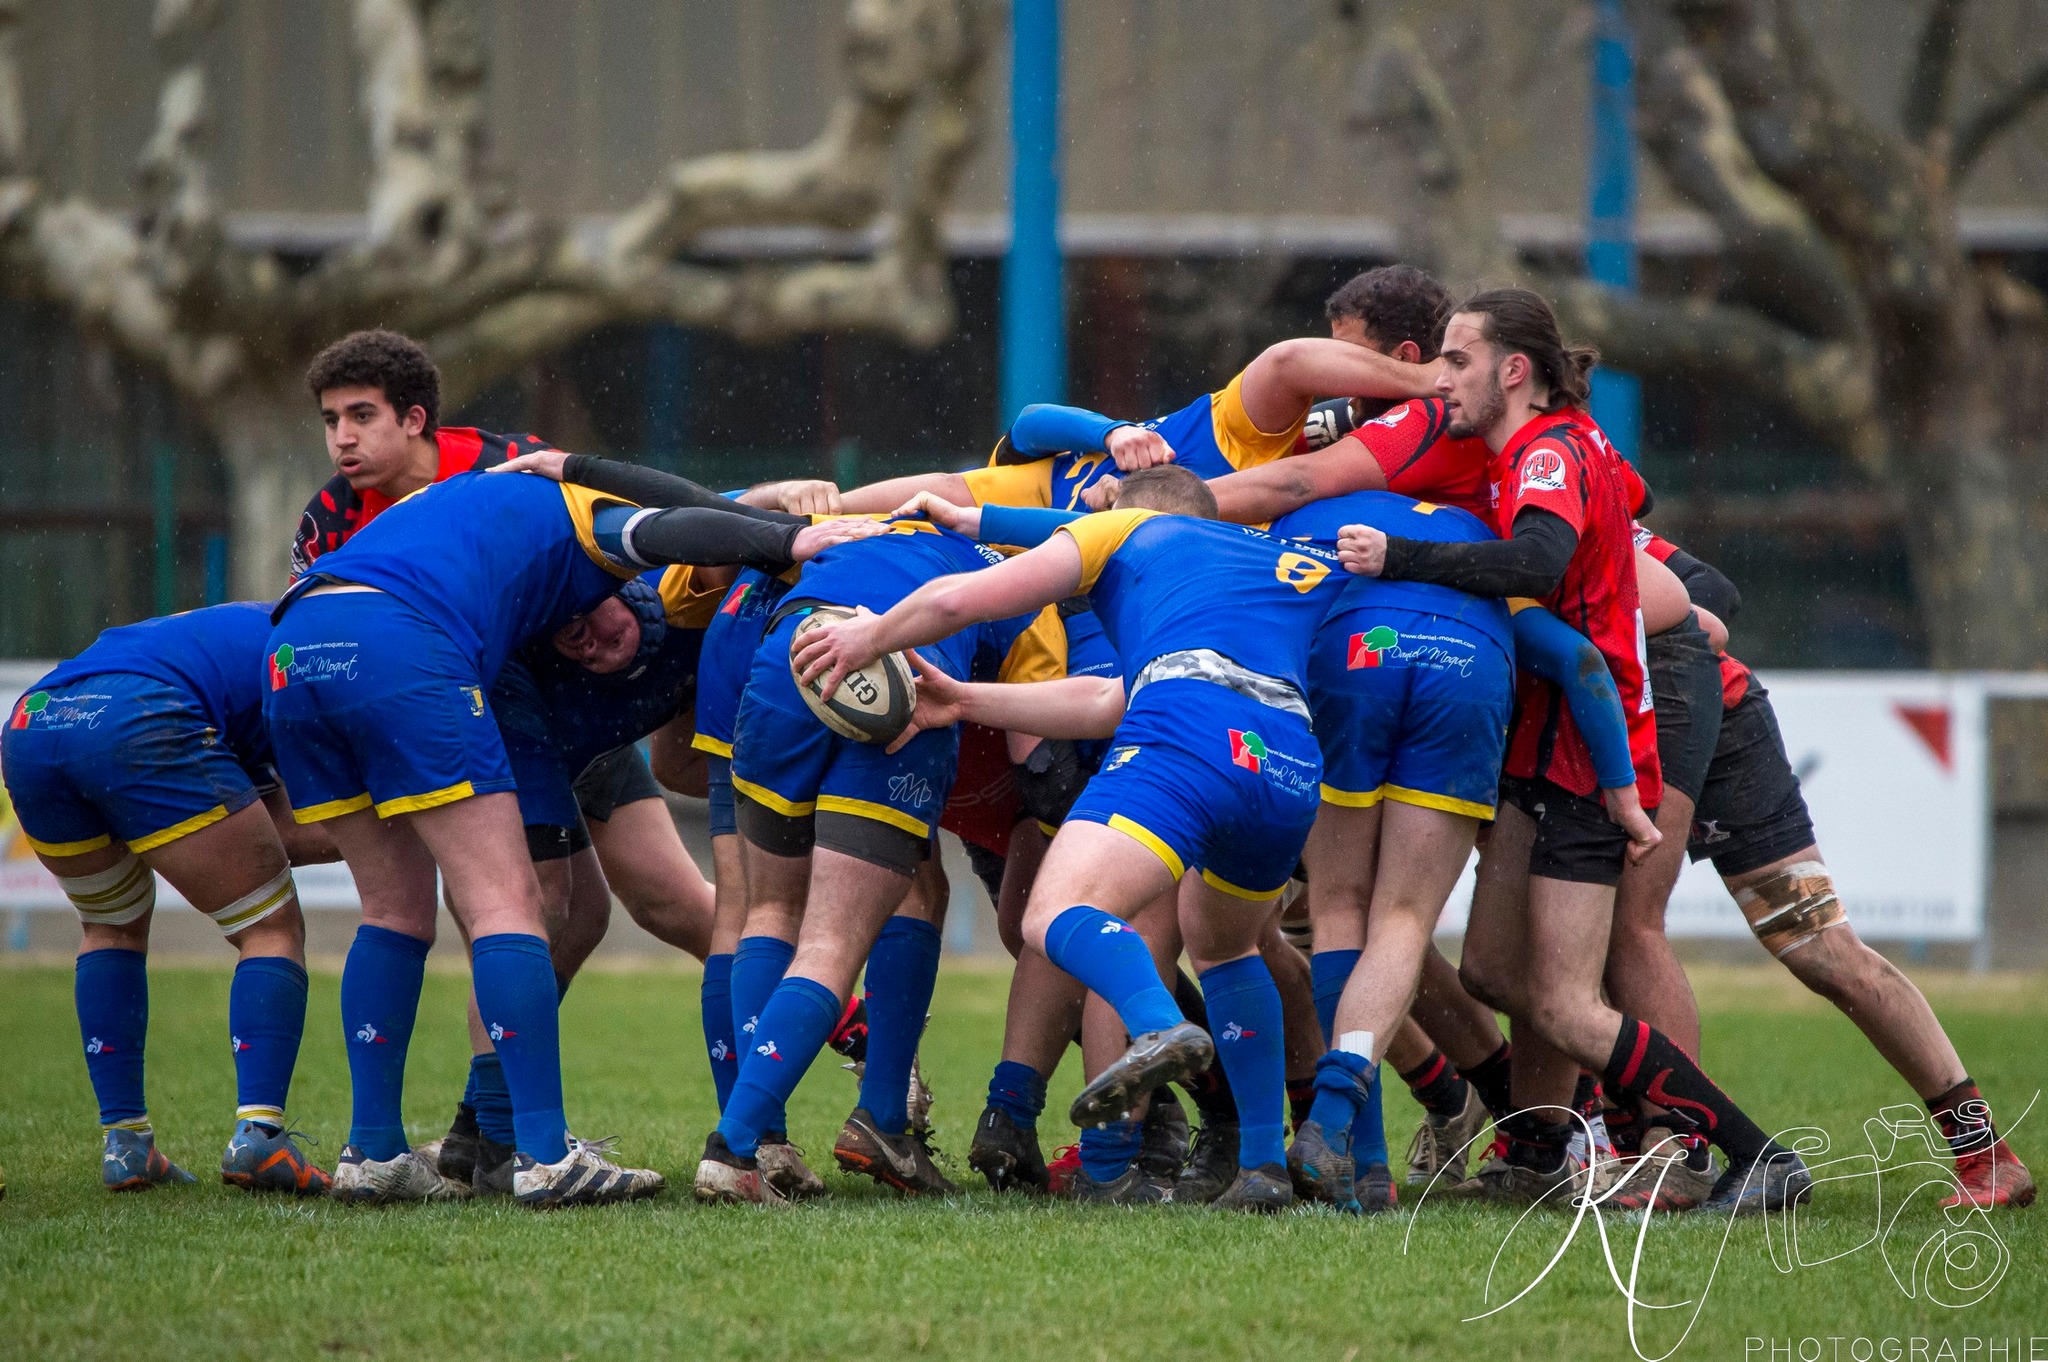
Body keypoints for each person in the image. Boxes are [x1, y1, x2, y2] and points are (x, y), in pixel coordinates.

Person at [266, 440, 873, 1208]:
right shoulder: (578, 521)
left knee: (405, 909)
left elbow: (684, 507)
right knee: (515, 904)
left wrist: (771, 497)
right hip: (411, 647)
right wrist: (792, 536)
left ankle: (378, 1153)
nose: (587, 632)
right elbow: (678, 524)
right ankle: (543, 1154)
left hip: (296, 643)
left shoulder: (473, 517)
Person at [1337, 287, 1811, 1214]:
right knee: (1492, 971)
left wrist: (1397, 556)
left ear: (1515, 370)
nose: (1442, 380)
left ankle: (1744, 1154)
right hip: (1556, 744)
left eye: (1457, 360)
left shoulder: (1546, 452)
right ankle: (1570, 1135)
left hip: (1590, 753)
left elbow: (1541, 565)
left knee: (1561, 1001)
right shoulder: (1552, 446)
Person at [794, 466, 1357, 1211]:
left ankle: (1160, 1026)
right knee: (1226, 948)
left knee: (1051, 913)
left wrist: (869, 633)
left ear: (1128, 510)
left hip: (1186, 731)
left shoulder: (1126, 529)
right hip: (1287, 759)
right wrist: (962, 701)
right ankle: (1261, 1166)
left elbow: (962, 599)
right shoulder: (1270, 561)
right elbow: (1106, 698)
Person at [1597, 528, 2035, 1212]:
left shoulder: (1553, 474)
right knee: (1581, 939)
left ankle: (1986, 1157)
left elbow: (1711, 596)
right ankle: (1603, 1143)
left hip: (1719, 724)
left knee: (1820, 949)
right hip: (1625, 733)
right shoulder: (1472, 478)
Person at [676, 506, 1066, 1204]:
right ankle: (743, 1149)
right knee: (839, 937)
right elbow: (1039, 756)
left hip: (788, 653)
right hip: (899, 688)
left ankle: (767, 1140)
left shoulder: (866, 524)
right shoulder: (1019, 577)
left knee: (769, 909)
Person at [1, 603, 336, 1194]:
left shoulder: (249, 629)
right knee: (270, 926)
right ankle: (260, 1137)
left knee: (110, 924)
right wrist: (420, 828)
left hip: (37, 719)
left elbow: (266, 821)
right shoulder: (320, 657)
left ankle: (125, 1143)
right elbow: (296, 828)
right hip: (140, 715)